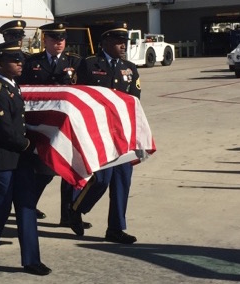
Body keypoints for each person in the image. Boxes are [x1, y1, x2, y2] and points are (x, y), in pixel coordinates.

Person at [0, 40, 51, 276]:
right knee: (2, 206)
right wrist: (29, 145)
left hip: (20, 159)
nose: (20, 63)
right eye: (14, 60)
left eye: (21, 59)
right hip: (1, 159)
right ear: (0, 65)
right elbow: (4, 131)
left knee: (27, 206)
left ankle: (31, 260)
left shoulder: (13, 87)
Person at [69, 21, 141, 243]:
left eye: (125, 42)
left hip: (123, 133)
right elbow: (77, 97)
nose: (123, 45)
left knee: (122, 180)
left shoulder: (129, 67)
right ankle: (76, 209)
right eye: (118, 41)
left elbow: (136, 102)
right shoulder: (89, 65)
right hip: (98, 132)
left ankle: (116, 229)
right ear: (105, 42)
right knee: (101, 179)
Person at [19, 22, 91, 230]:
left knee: (68, 169)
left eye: (62, 39)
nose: (59, 43)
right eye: (54, 39)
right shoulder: (33, 62)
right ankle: (27, 207)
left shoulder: (76, 62)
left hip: (65, 124)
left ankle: (68, 215)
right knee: (43, 172)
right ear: (46, 40)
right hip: (40, 125)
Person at [0, 19, 47, 220]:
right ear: (5, 37)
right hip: (5, 115)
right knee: (5, 175)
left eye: (19, 36)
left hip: (25, 115)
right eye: (12, 36)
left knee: (38, 171)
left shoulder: (28, 60)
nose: (17, 39)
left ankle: (27, 202)